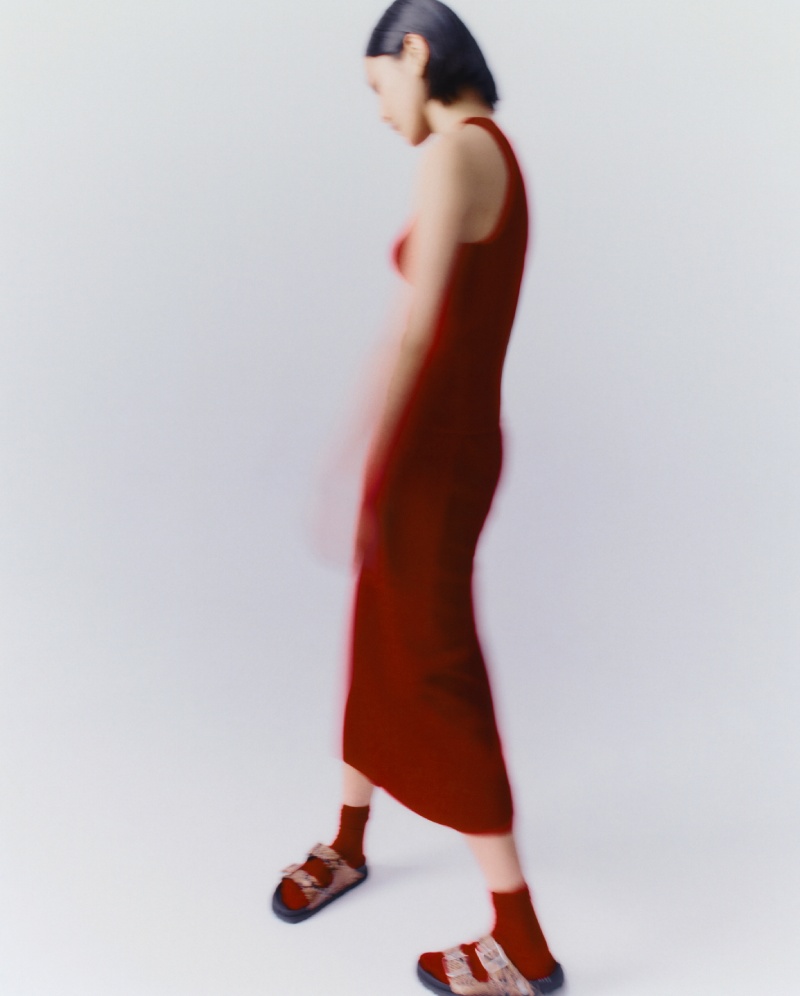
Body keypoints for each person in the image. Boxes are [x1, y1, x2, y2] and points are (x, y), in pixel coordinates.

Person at [273, 3, 565, 994]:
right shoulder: (496, 153)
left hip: (431, 454)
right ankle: (349, 839)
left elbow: (414, 328)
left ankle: (519, 939)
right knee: (379, 638)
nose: (378, 109)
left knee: (437, 668)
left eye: (377, 86)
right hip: (447, 446)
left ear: (414, 53)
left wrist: (348, 456)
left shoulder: (454, 151)